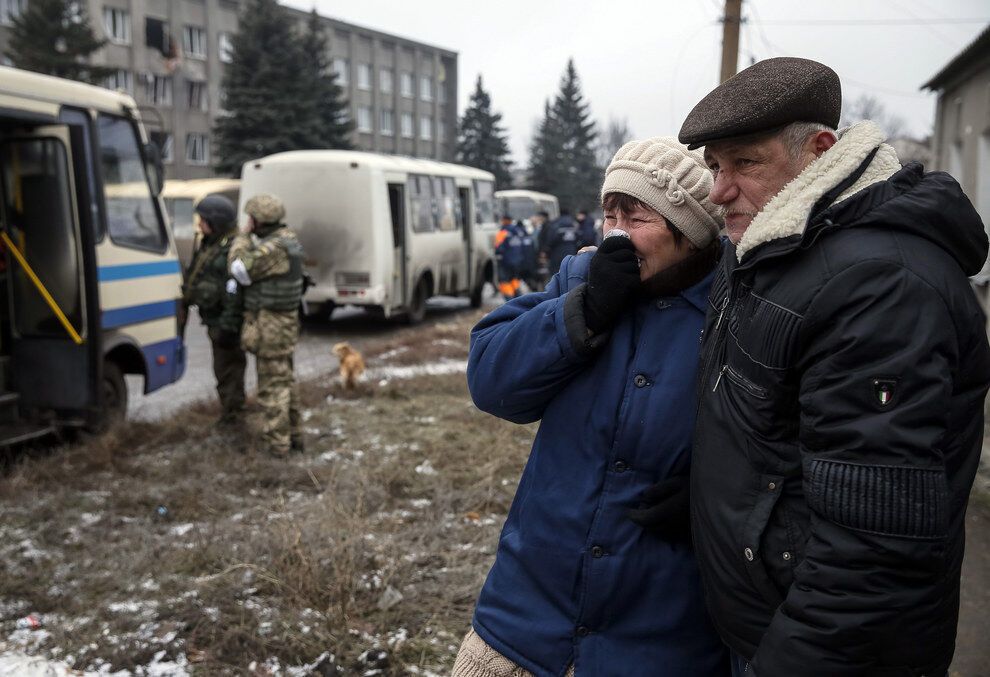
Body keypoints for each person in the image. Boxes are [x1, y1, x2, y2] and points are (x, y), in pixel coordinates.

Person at [679, 56, 990, 676]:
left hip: (815, 647)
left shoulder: (881, 286)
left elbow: (874, 549)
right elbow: (768, 431)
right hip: (766, 614)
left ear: (819, 151)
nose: (719, 191)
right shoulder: (777, 247)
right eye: (715, 166)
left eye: (745, 163)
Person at [455, 138, 728, 677]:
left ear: (690, 227)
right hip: (524, 617)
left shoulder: (737, 309)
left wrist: (715, 497)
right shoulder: (582, 279)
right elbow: (491, 382)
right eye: (610, 214)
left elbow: (787, 446)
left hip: (657, 636)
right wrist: (582, 312)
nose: (617, 233)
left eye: (638, 215)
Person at [228, 193, 306, 457]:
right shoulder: (288, 239)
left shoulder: (273, 248)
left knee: (273, 386)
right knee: (286, 381)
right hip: (284, 323)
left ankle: (278, 446)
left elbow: (239, 268)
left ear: (258, 221)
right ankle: (295, 437)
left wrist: (241, 238)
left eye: (251, 218)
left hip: (271, 325)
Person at [181, 194, 245, 425]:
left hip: (225, 323)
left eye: (204, 220)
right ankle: (231, 414)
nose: (199, 224)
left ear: (217, 223)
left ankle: (234, 419)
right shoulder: (211, 244)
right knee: (224, 371)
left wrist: (229, 326)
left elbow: (234, 292)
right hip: (214, 320)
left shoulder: (232, 249)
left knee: (229, 372)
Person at [539, 208, 579, 276]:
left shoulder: (555, 223)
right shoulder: (574, 223)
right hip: (572, 251)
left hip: (557, 253)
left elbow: (551, 239)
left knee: (557, 273)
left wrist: (546, 250)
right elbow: (580, 238)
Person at [494, 214, 525, 300]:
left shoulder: (503, 232)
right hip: (518, 261)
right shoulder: (518, 231)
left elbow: (498, 247)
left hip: (505, 262)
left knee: (504, 281)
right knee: (514, 279)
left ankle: (509, 300)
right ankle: (518, 299)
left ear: (505, 220)